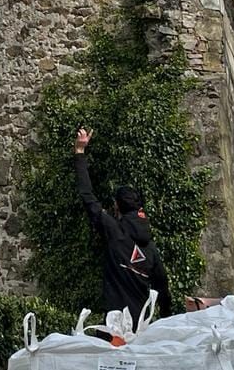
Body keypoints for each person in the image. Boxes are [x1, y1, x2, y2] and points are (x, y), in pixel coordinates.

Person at [74, 127, 173, 320]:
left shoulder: (114, 231)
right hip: (141, 332)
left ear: (117, 207)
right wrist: (166, 322)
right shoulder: (151, 250)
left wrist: (79, 152)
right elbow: (163, 290)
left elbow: (87, 196)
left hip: (115, 327)